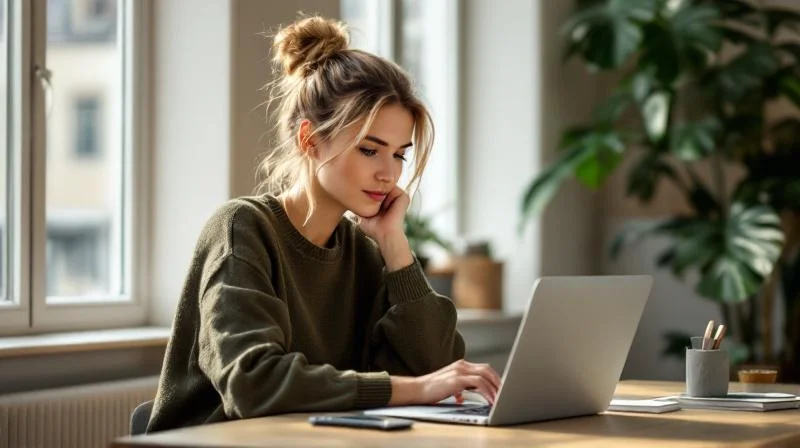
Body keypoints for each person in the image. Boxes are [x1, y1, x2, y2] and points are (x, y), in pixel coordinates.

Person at [146, 15, 501, 433]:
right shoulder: (242, 228)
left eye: (400, 154)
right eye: (370, 150)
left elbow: (436, 372)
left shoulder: (362, 253)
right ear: (309, 140)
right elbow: (253, 383)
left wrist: (395, 246)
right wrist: (411, 389)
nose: (390, 174)